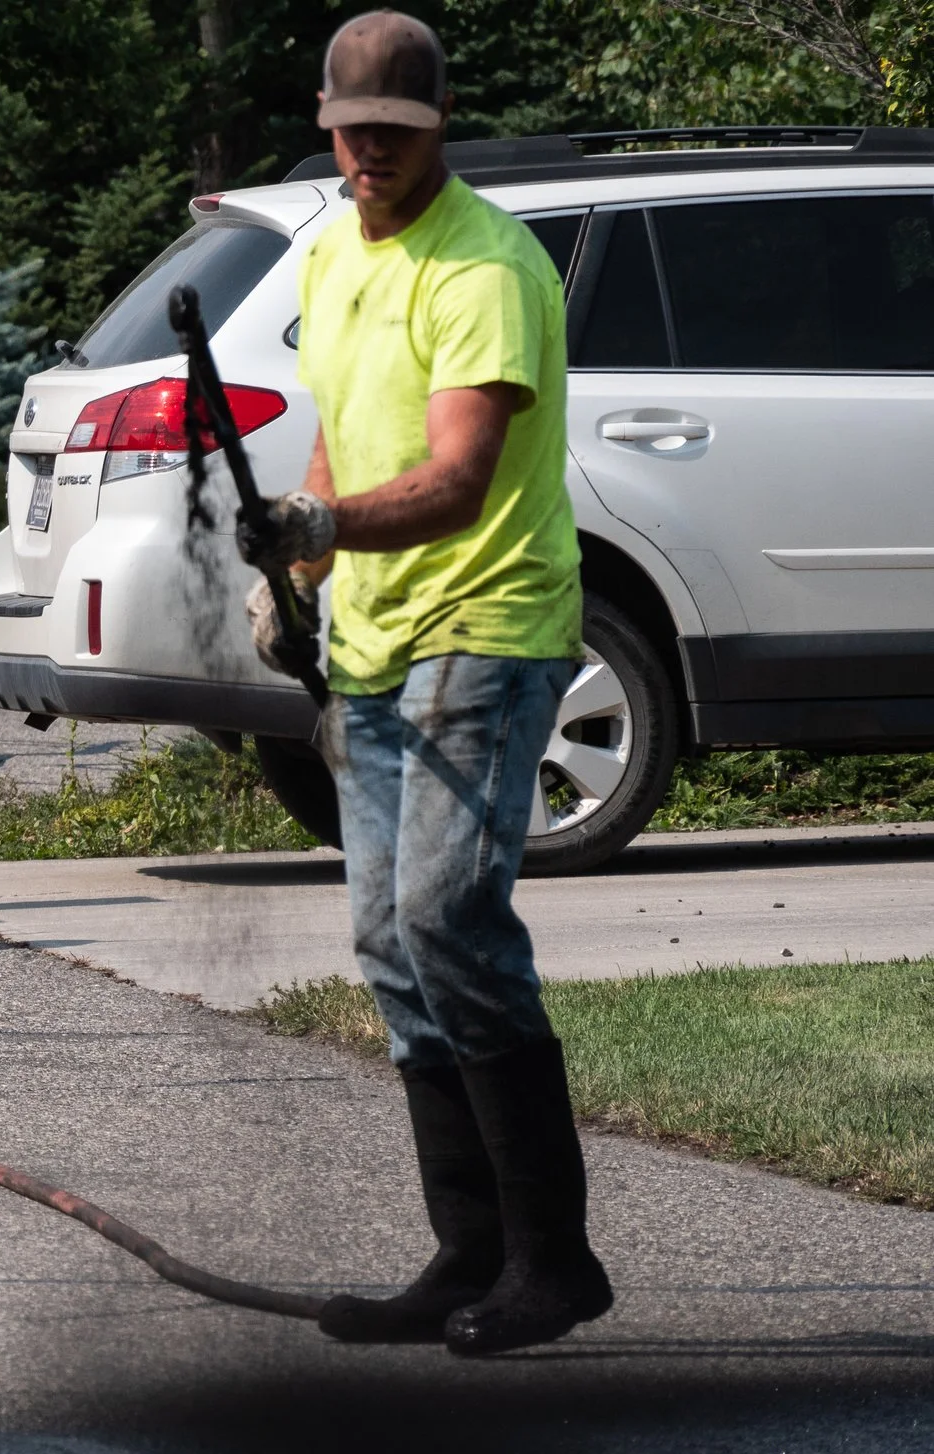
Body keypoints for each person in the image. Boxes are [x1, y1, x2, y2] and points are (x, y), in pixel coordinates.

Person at [243, 10, 610, 1355]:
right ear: (329, 124)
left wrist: (328, 535)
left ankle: (553, 1259)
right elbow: (347, 428)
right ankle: (467, 1252)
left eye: (394, 134)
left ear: (434, 130)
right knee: (394, 948)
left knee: (449, 917)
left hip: (488, 623)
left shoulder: (488, 267)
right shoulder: (334, 252)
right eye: (351, 131)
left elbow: (456, 481)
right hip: (378, 639)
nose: (369, 154)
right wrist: (300, 573)